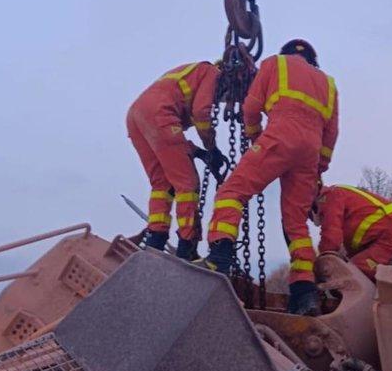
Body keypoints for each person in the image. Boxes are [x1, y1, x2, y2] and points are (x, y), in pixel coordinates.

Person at [203, 39, 339, 315]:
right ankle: (304, 292)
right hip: (310, 153)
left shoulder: (275, 64)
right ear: (313, 60)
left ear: (286, 53)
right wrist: (318, 169)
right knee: (296, 224)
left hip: (279, 136)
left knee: (232, 193)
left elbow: (251, 107)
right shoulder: (329, 84)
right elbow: (331, 134)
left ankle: (219, 258)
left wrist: (255, 137)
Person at [126, 60, 226, 259]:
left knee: (162, 185)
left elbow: (170, 142)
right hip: (160, 114)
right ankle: (187, 247)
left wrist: (200, 153)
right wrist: (211, 148)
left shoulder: (189, 76)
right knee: (187, 185)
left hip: (136, 116)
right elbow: (201, 113)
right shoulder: (212, 73)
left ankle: (155, 240)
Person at [313, 184, 392, 280]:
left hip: (391, 239)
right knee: (351, 269)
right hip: (388, 239)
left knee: (349, 274)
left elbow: (330, 238)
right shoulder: (341, 196)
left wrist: (320, 266)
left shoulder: (331, 197)